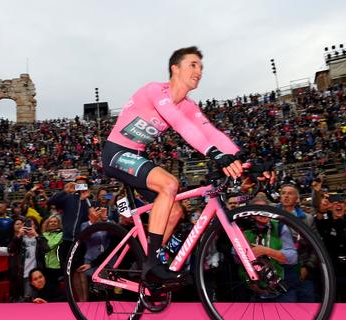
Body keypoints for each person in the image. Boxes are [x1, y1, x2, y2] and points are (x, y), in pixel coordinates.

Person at [101, 46, 243, 284]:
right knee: (170, 184)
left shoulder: (188, 105)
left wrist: (239, 157)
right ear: (174, 68)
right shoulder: (154, 91)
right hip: (116, 153)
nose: (199, 71)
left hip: (136, 156)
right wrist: (214, 154)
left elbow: (211, 133)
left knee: (175, 210)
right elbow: (179, 124)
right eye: (193, 65)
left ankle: (143, 262)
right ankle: (153, 264)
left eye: (201, 67)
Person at [8, 217, 48, 301]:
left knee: (35, 299)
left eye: (32, 224)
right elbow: (10, 250)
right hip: (22, 274)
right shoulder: (19, 238)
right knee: (26, 300)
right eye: (27, 224)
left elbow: (46, 249)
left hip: (36, 275)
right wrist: (18, 235)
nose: (29, 226)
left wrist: (37, 235)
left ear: (36, 226)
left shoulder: (39, 238)